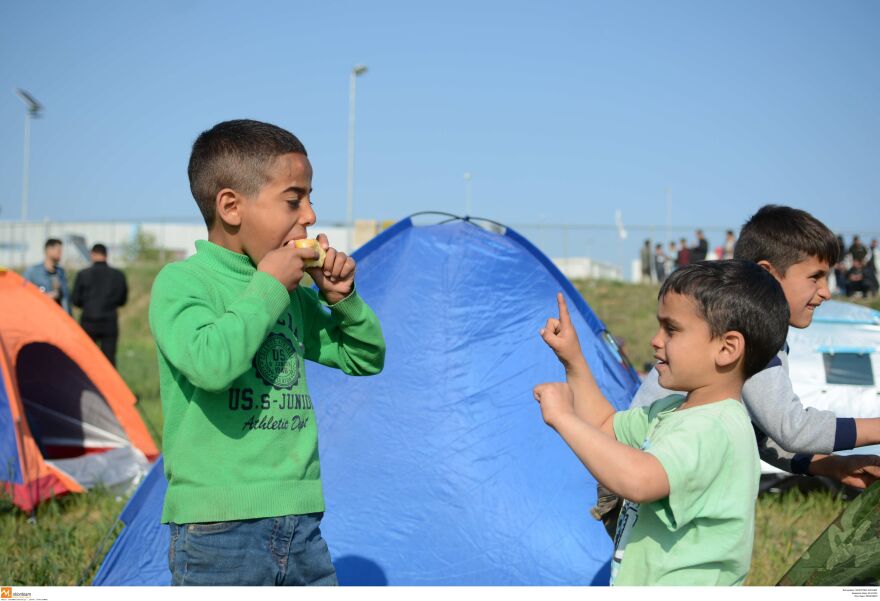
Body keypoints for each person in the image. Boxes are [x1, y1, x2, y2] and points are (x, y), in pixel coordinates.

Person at [149, 119, 386, 586]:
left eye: (311, 198)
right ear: (231, 207)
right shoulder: (183, 284)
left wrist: (343, 300)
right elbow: (210, 363)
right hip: (218, 529)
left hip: (300, 518)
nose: (311, 216)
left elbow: (364, 358)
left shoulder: (291, 294)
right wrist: (270, 286)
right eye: (294, 199)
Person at [591, 206, 880, 541]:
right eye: (815, 277)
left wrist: (831, 466)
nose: (827, 291)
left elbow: (764, 436)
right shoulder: (746, 335)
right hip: (649, 475)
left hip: (656, 473)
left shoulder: (753, 334)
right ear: (768, 275)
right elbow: (794, 429)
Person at [535, 260, 790, 584]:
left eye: (671, 329)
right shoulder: (673, 410)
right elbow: (604, 425)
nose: (656, 340)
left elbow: (639, 481)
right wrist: (573, 360)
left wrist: (563, 417)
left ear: (727, 349)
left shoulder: (715, 428)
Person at [71, 244, 128, 366]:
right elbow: (122, 300)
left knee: (86, 358)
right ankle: (110, 385)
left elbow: (75, 300)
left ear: (92, 255)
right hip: (109, 322)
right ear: (106, 255)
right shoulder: (118, 275)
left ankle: (87, 385)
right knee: (109, 359)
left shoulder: (83, 274)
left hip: (88, 321)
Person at [23, 238, 71, 314]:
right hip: (40, 316)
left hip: (58, 317)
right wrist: (47, 297)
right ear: (49, 250)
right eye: (59, 251)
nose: (61, 254)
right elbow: (24, 295)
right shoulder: (33, 272)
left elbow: (66, 299)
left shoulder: (61, 272)